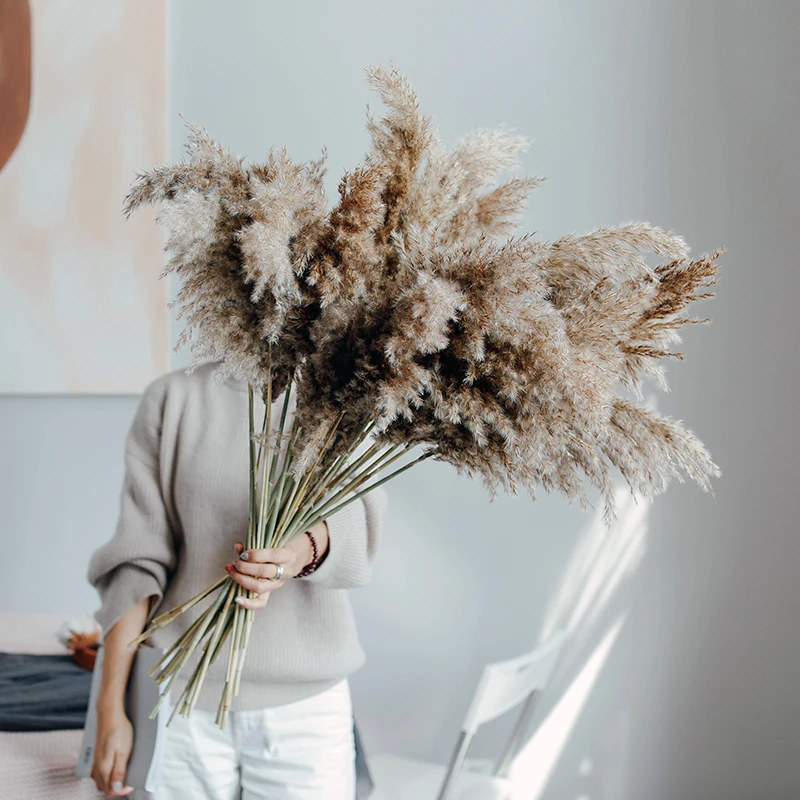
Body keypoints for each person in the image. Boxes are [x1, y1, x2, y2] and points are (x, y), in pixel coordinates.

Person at [86, 361, 386, 799]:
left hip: (305, 712)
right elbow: (135, 565)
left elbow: (357, 522)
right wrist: (109, 707)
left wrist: (291, 556)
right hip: (178, 702)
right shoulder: (174, 399)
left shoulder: (346, 393)